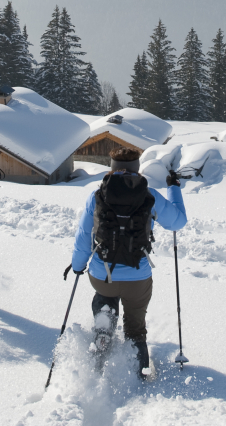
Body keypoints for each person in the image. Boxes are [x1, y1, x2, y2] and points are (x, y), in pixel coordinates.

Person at [70, 147, 187, 375]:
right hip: (138, 277)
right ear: (137, 167)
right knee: (136, 327)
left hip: (101, 275)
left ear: (111, 167)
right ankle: (139, 372)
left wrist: (77, 266)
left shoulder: (96, 196)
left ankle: (105, 322)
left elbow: (84, 237)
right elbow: (178, 222)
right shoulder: (149, 195)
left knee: (105, 295)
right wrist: (173, 188)